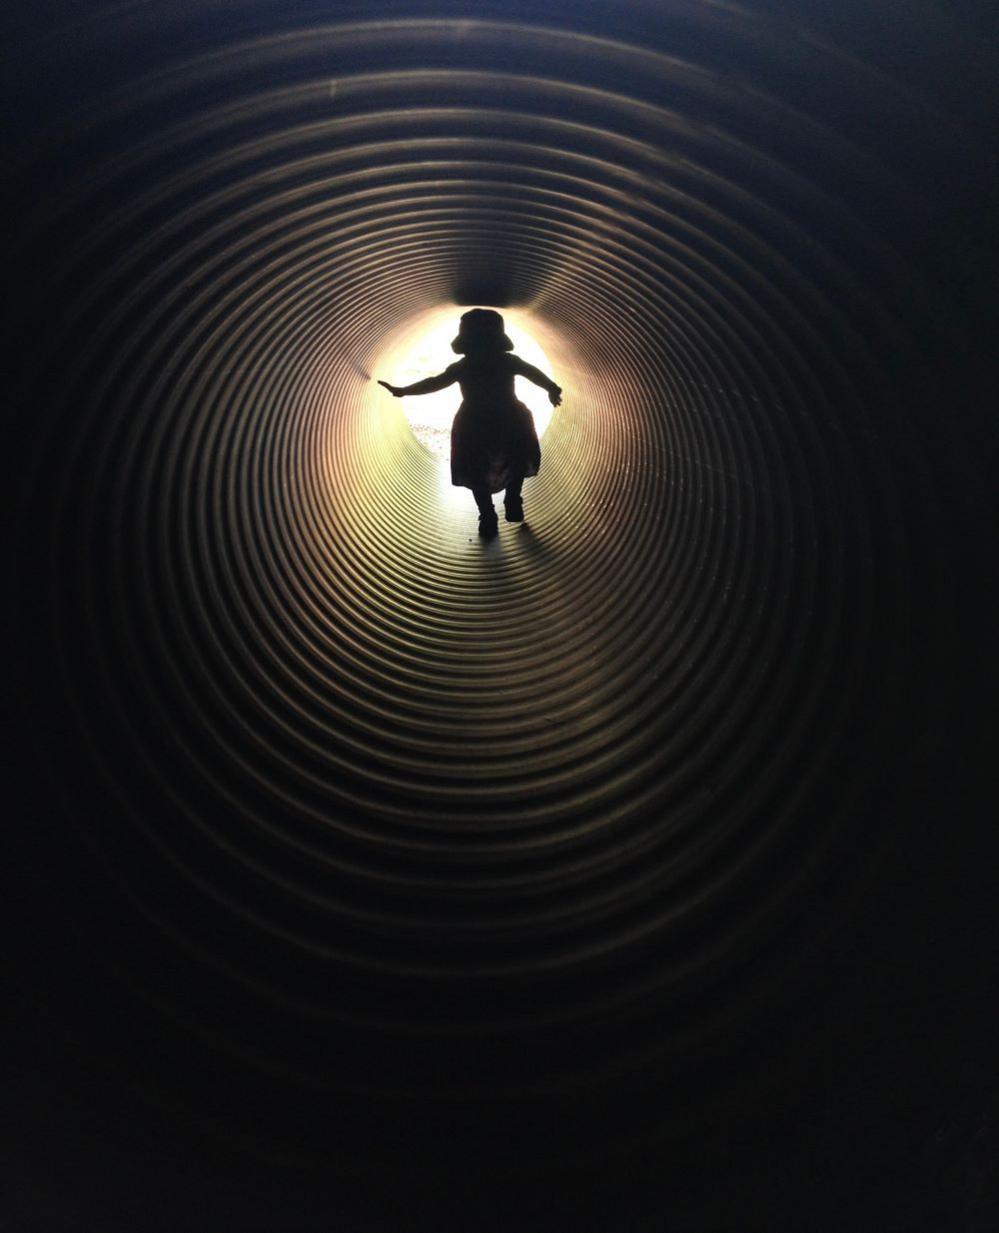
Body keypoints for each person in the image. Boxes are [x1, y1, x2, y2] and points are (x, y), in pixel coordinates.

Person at [379, 309, 562, 537]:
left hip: (476, 423)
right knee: (512, 461)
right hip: (507, 418)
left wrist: (404, 391)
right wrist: (551, 388)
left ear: (465, 341)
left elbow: (435, 383)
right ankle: (504, 503)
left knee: (480, 470)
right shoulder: (504, 361)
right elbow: (533, 373)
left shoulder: (465, 366)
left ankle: (491, 512)